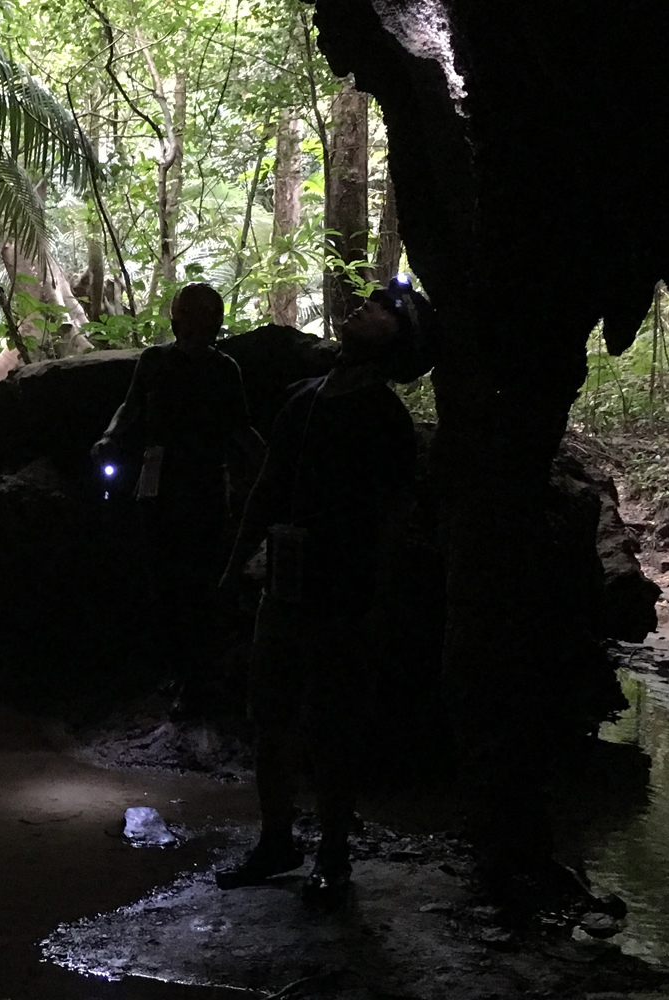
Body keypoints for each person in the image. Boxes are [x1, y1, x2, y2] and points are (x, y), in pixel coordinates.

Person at [213, 274, 433, 906]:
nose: (363, 310)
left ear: (397, 341)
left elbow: (394, 516)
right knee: (271, 714)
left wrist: (379, 598)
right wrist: (237, 567)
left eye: (380, 311)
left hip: (344, 588)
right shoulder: (300, 399)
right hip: (285, 581)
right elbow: (267, 489)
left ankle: (334, 853)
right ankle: (277, 841)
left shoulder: (385, 420)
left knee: (332, 722)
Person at [93, 283, 264, 699]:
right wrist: (110, 436)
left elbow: (240, 427)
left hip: (204, 482)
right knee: (161, 576)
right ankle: (173, 667)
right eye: (188, 313)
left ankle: (196, 675)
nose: (193, 322)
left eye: (203, 315)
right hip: (158, 480)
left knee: (201, 578)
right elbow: (130, 406)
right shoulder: (154, 362)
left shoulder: (225, 370)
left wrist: (270, 462)